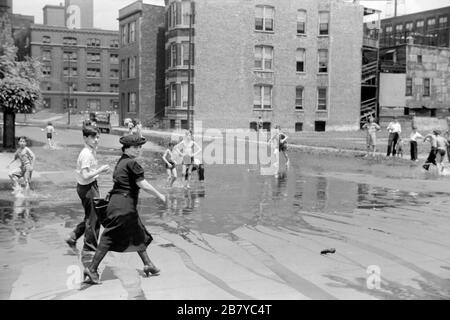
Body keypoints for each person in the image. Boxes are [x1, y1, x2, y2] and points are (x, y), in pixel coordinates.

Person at [83, 135, 166, 284]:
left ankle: (148, 264)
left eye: (140, 147)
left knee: (137, 232)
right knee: (109, 237)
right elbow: (142, 184)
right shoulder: (132, 163)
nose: (139, 150)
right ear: (127, 148)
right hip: (124, 206)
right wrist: (159, 195)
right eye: (135, 147)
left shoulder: (122, 162)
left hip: (120, 204)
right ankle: (92, 269)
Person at [65, 126, 110, 263]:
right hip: (88, 187)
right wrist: (100, 170)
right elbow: (85, 175)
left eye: (97, 137)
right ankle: (89, 249)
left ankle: (74, 236)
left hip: (89, 186)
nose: (96, 140)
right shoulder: (86, 154)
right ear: (85, 138)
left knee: (91, 216)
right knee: (94, 219)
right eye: (93, 137)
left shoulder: (91, 151)